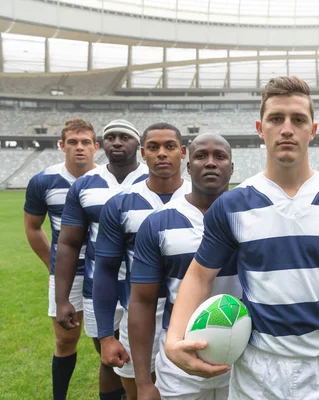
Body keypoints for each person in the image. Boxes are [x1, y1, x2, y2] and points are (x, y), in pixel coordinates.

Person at [165, 76, 319, 400]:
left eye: (298, 120)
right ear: (260, 128)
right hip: (258, 371)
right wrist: (173, 339)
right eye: (276, 119)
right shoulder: (232, 205)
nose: (287, 129)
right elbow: (200, 276)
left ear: (313, 130)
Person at [129, 133, 242, 400]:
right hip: (179, 360)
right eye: (201, 156)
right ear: (189, 166)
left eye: (220, 156)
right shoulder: (158, 222)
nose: (211, 163)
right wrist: (143, 382)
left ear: (231, 167)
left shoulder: (252, 218)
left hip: (243, 357)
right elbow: (143, 303)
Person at [93, 122, 191, 399]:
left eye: (169, 146)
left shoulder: (204, 200)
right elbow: (106, 269)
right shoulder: (121, 204)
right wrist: (106, 336)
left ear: (182, 152)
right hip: (138, 314)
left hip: (188, 315)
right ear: (143, 153)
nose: (162, 153)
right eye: (153, 147)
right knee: (140, 392)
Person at [55, 119, 148, 400]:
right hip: (99, 285)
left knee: (149, 358)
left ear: (139, 146)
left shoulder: (153, 179)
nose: (116, 142)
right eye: (110, 137)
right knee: (108, 357)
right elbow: (70, 243)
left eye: (124, 137)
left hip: (146, 287)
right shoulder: (85, 185)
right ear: (102, 145)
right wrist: (62, 299)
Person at [24, 118, 99, 400]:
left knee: (107, 337)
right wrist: (54, 267)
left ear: (96, 146)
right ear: (61, 145)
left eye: (85, 142)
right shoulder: (43, 181)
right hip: (67, 275)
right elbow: (32, 227)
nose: (79, 148)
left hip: (102, 271)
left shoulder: (108, 180)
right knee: (65, 339)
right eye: (72, 142)